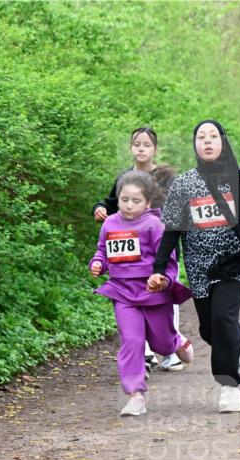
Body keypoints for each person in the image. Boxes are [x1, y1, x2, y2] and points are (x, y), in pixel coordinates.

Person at [148, 120, 240, 413]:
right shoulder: (185, 184)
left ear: (223, 142)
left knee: (225, 319)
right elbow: (172, 229)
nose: (208, 141)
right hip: (201, 267)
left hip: (235, 261)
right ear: (195, 145)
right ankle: (234, 350)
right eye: (201, 137)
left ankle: (229, 386)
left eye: (214, 136)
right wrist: (159, 267)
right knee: (208, 329)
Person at [90, 171, 194, 416]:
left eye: (135, 201)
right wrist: (97, 264)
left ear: (147, 203)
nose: (129, 205)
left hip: (152, 293)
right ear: (118, 199)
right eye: (124, 199)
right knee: (132, 341)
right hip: (123, 293)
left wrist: (164, 280)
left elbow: (169, 261)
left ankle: (176, 342)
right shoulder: (110, 223)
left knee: (161, 342)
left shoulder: (154, 225)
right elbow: (103, 252)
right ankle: (136, 395)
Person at [92, 127, 185, 372]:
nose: (141, 149)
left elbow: (179, 210)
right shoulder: (125, 177)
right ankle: (143, 354)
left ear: (155, 149)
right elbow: (112, 203)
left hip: (160, 243)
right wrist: (100, 207)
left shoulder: (165, 177)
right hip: (129, 250)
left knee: (163, 294)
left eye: (146, 145)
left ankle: (170, 351)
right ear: (131, 148)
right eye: (137, 144)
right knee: (132, 298)